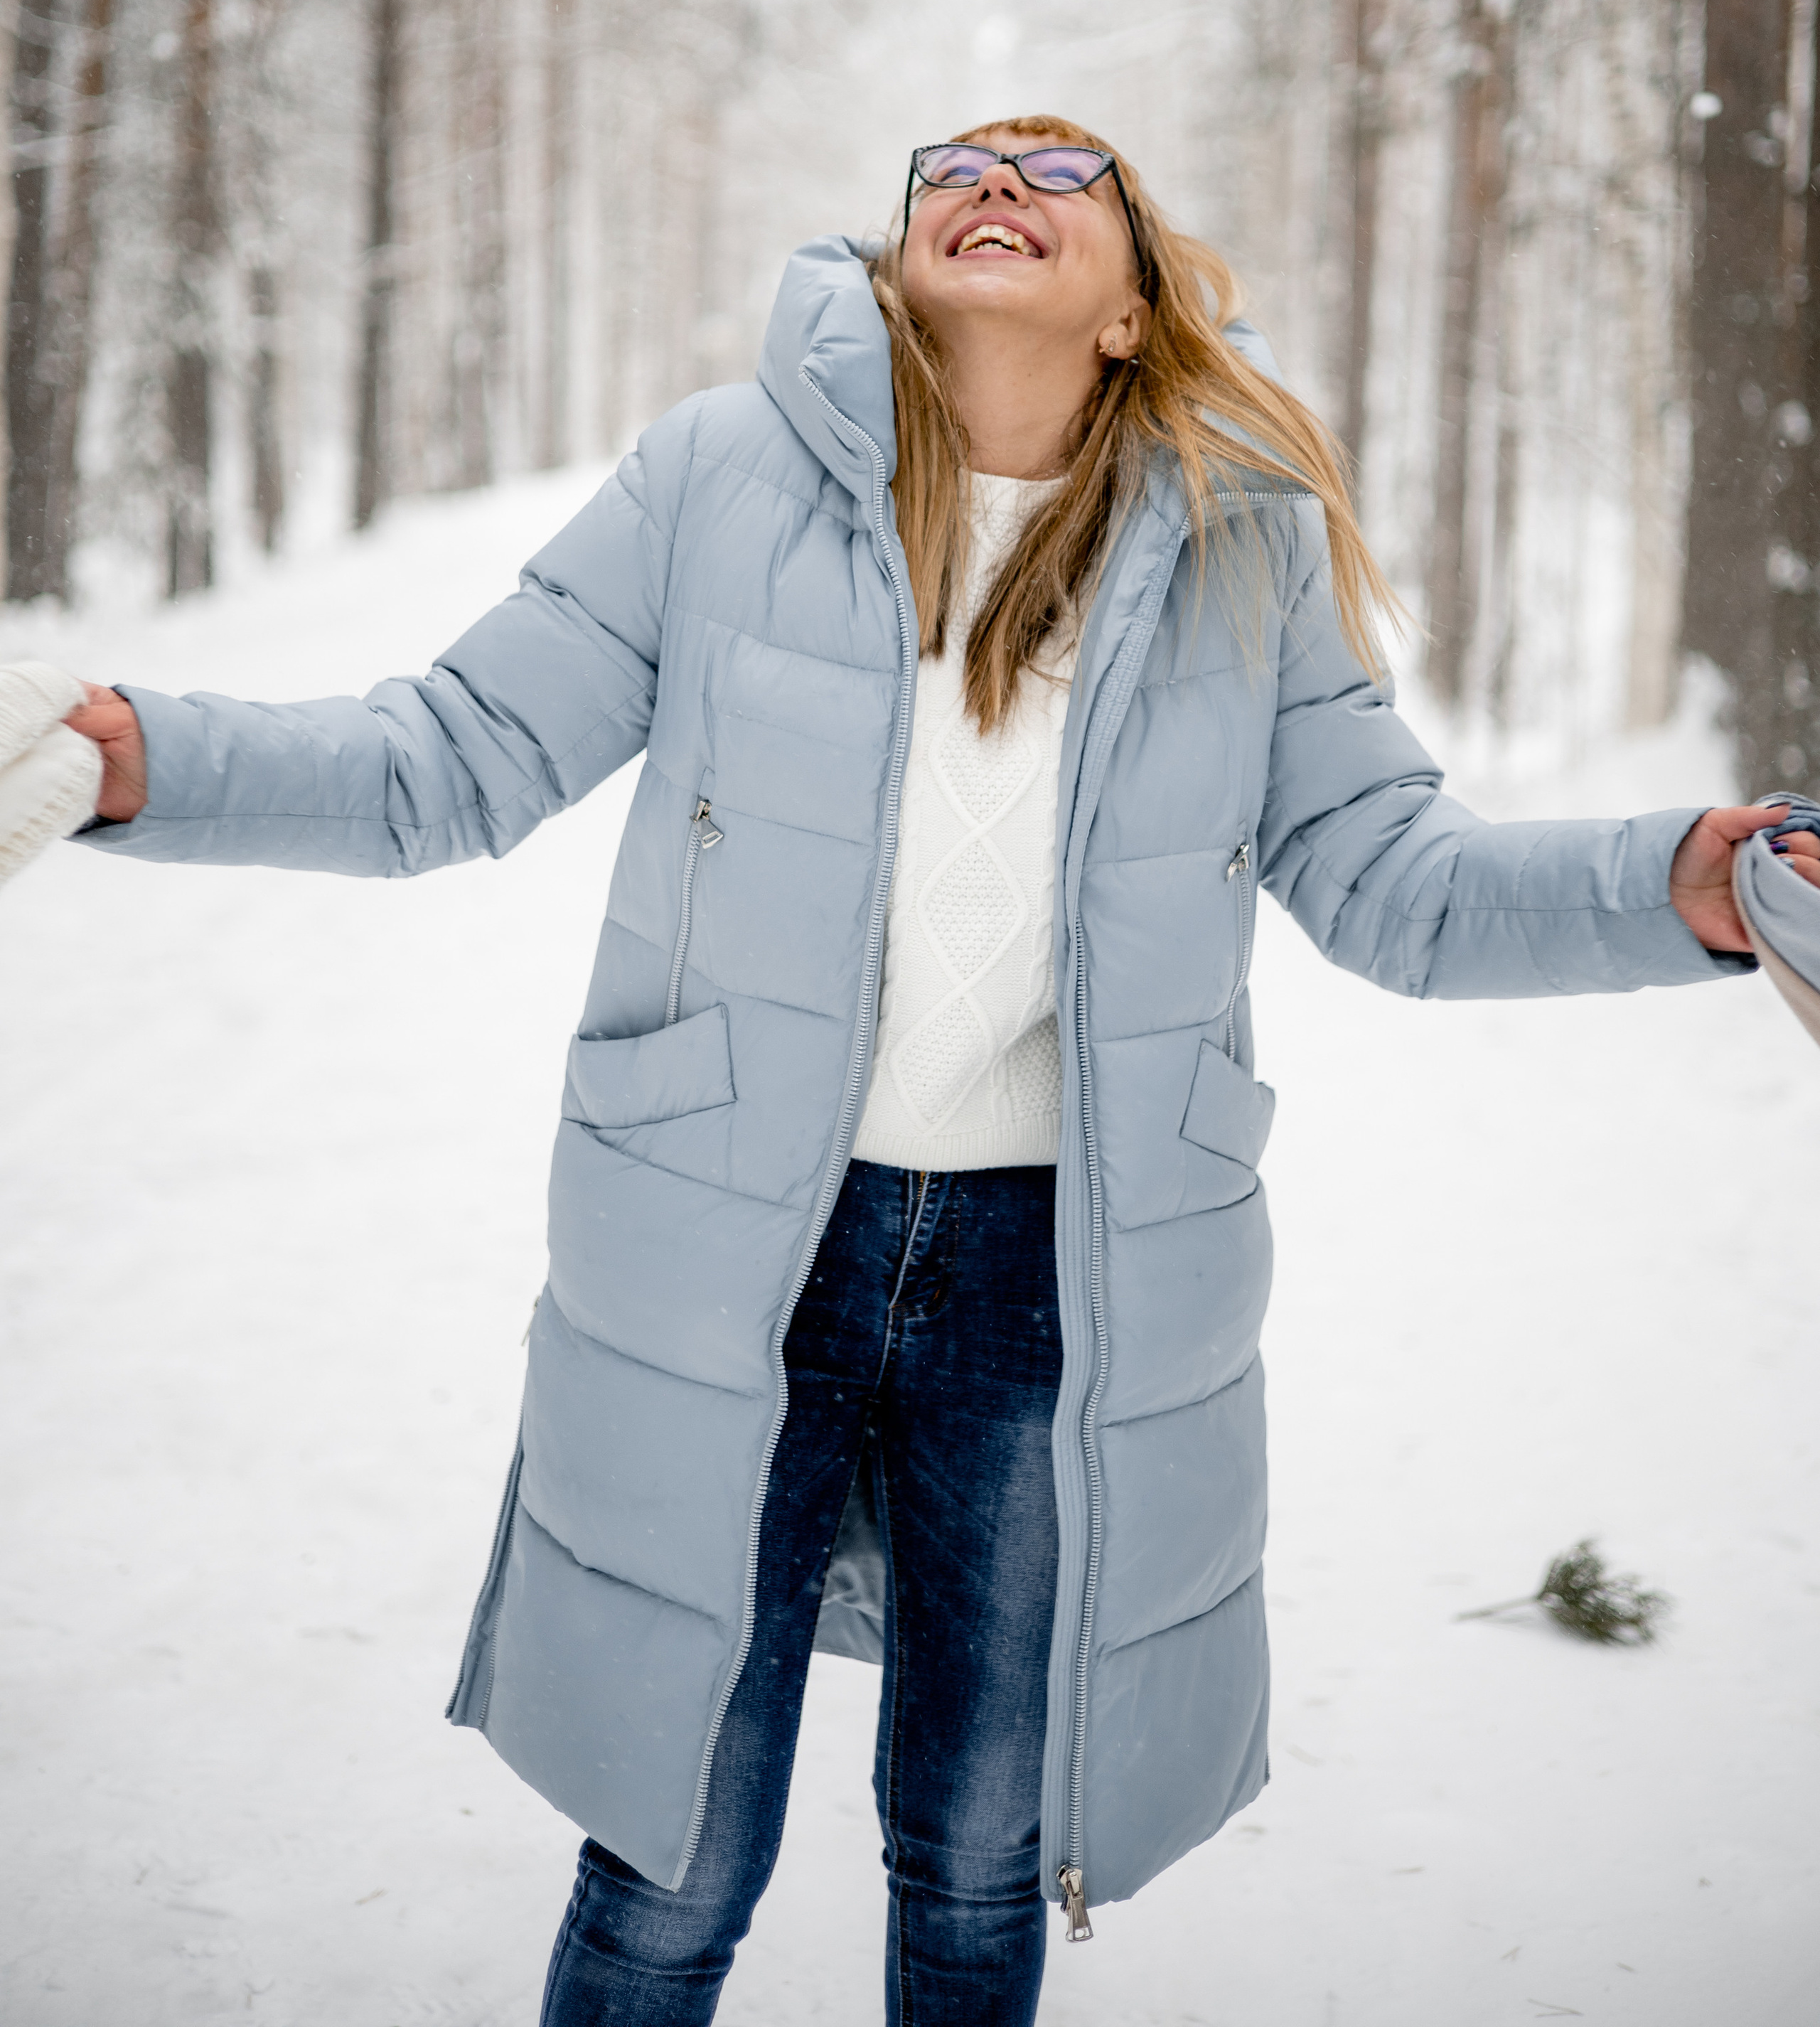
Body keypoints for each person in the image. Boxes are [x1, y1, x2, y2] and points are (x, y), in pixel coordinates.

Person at [58, 119, 1820, 2027]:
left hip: (1056, 1280)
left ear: (1135, 306)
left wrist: (1683, 890)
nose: (999, 179)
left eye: (1066, 172)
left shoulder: (1244, 548)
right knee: (670, 1855)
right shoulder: (718, 480)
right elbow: (447, 755)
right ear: (904, 255)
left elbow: (1402, 884)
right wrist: (140, 753)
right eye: (957, 164)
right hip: (739, 1246)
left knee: (982, 1863)